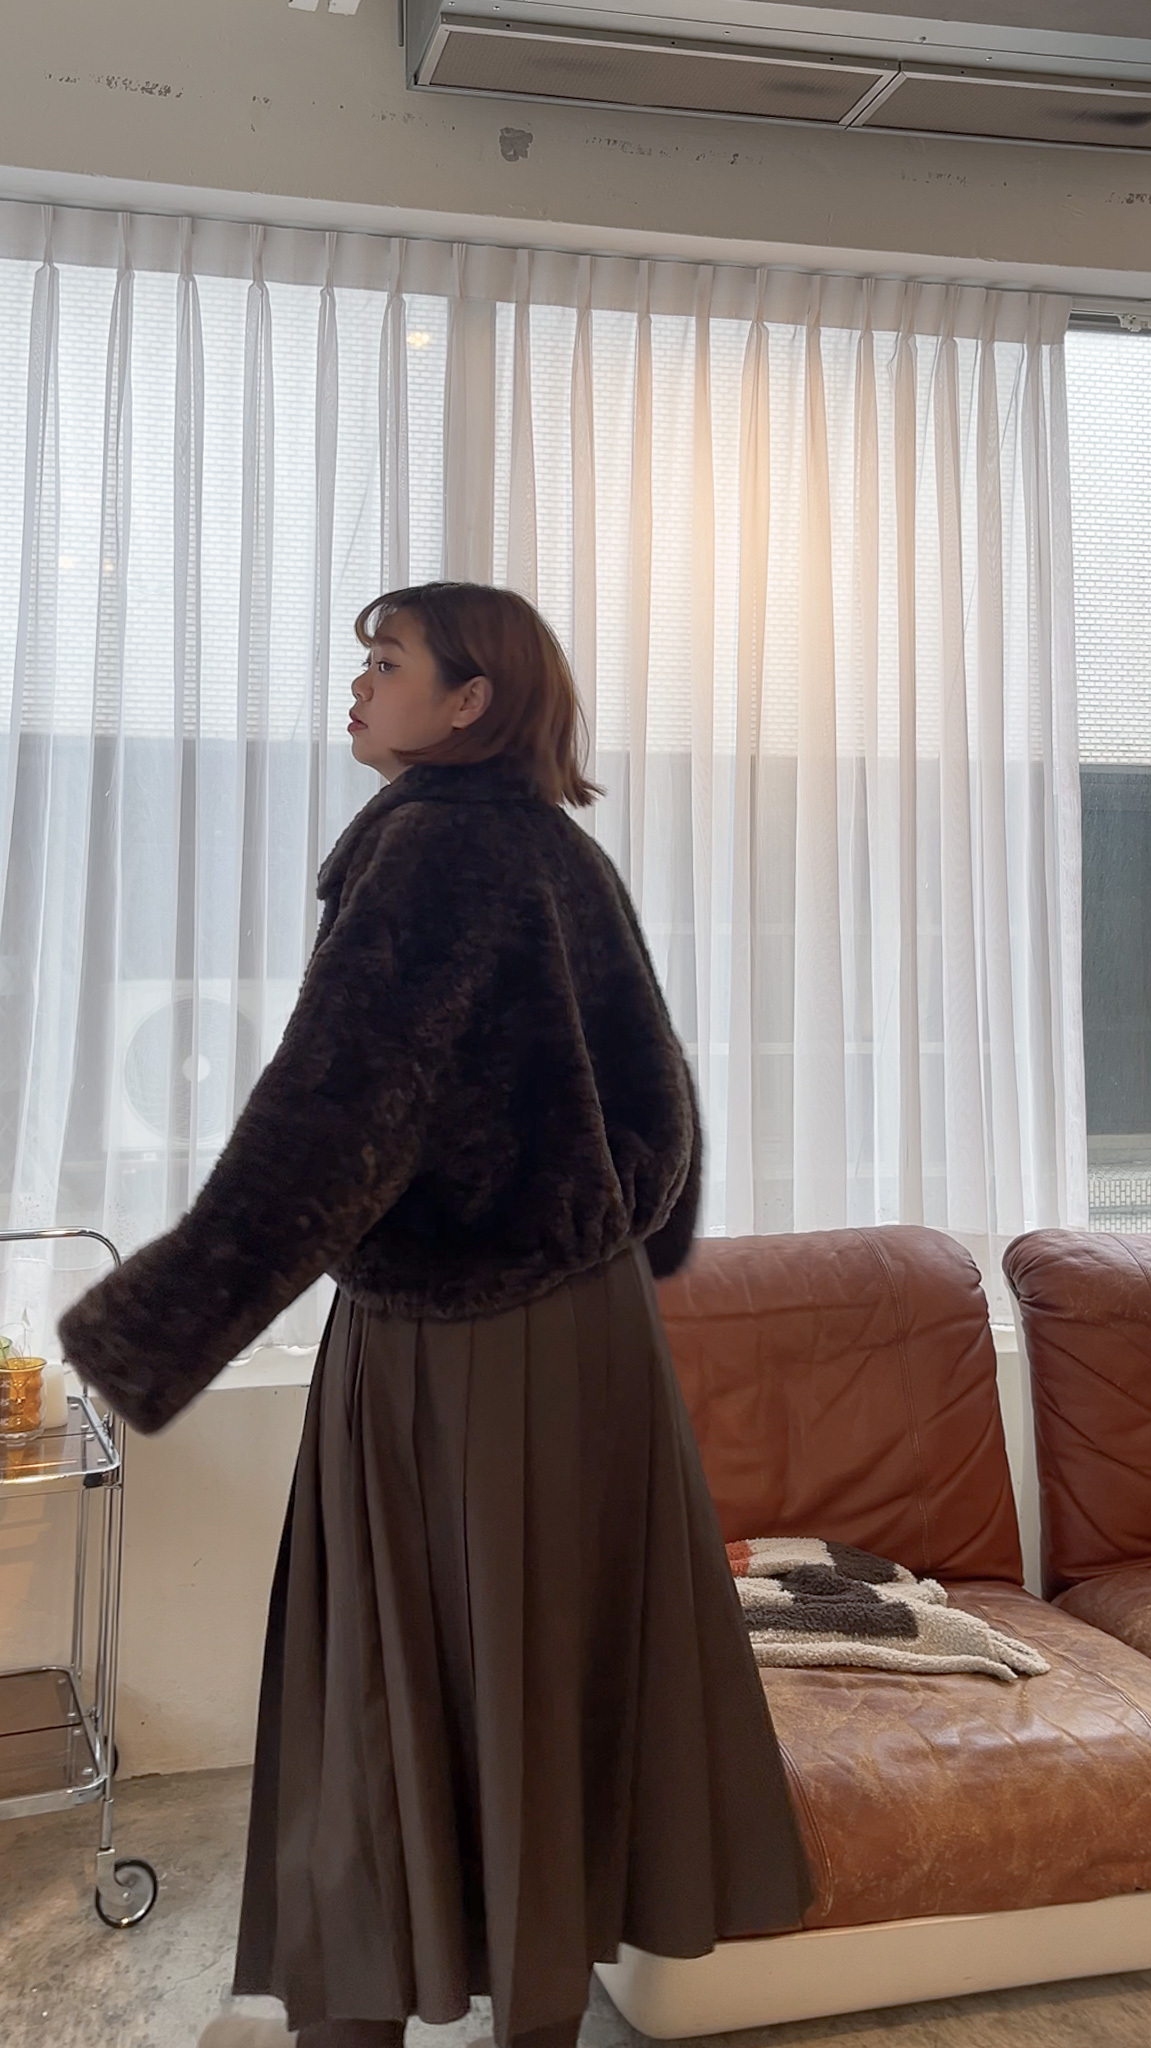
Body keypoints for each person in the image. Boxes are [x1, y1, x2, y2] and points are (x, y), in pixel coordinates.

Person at [59, 584, 812, 2048]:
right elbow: (662, 1100)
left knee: (385, 1692)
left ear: (471, 702)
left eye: (388, 663)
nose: (358, 688)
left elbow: (332, 1120)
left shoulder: (429, 851)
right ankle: (532, 2005)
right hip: (579, 1337)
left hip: (457, 1342)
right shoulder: (556, 852)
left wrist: (151, 1327)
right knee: (538, 1679)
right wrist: (610, 1237)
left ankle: (362, 2010)